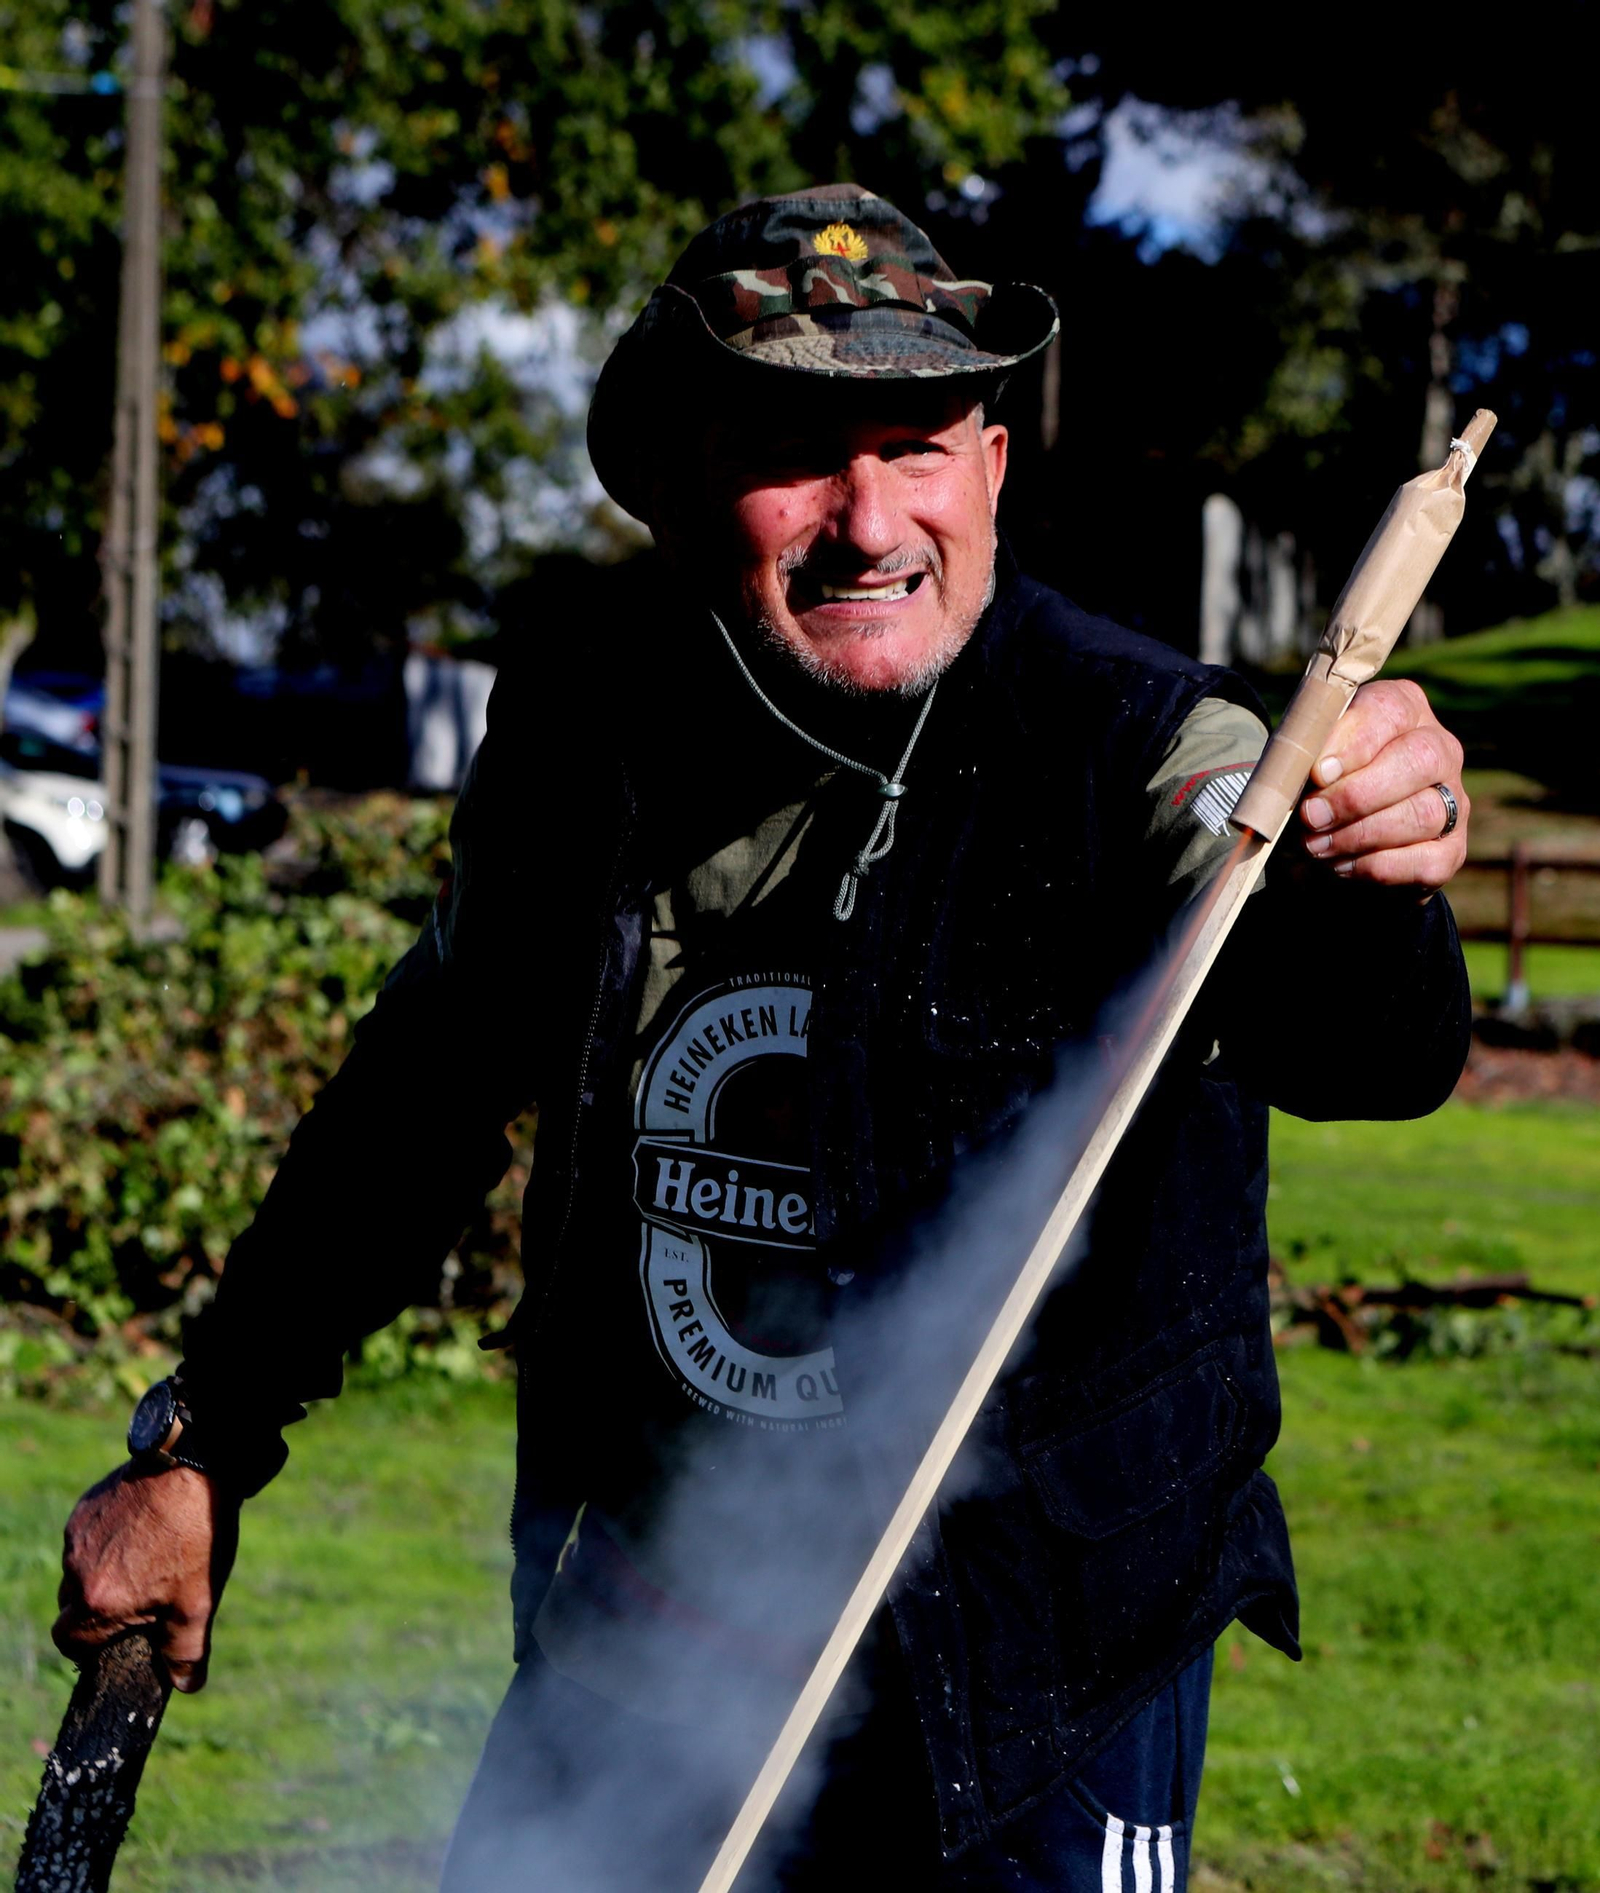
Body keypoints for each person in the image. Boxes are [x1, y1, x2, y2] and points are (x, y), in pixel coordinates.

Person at [55, 185, 1473, 1892]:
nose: (871, 518)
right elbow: (418, 1098)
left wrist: (1367, 865)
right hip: (654, 1616)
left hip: (1035, 1659)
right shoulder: (591, 738)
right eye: (798, 445)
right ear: (678, 475)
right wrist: (203, 1439)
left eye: (920, 442)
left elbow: (1364, 1040)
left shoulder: (1142, 747)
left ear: (996, 465)